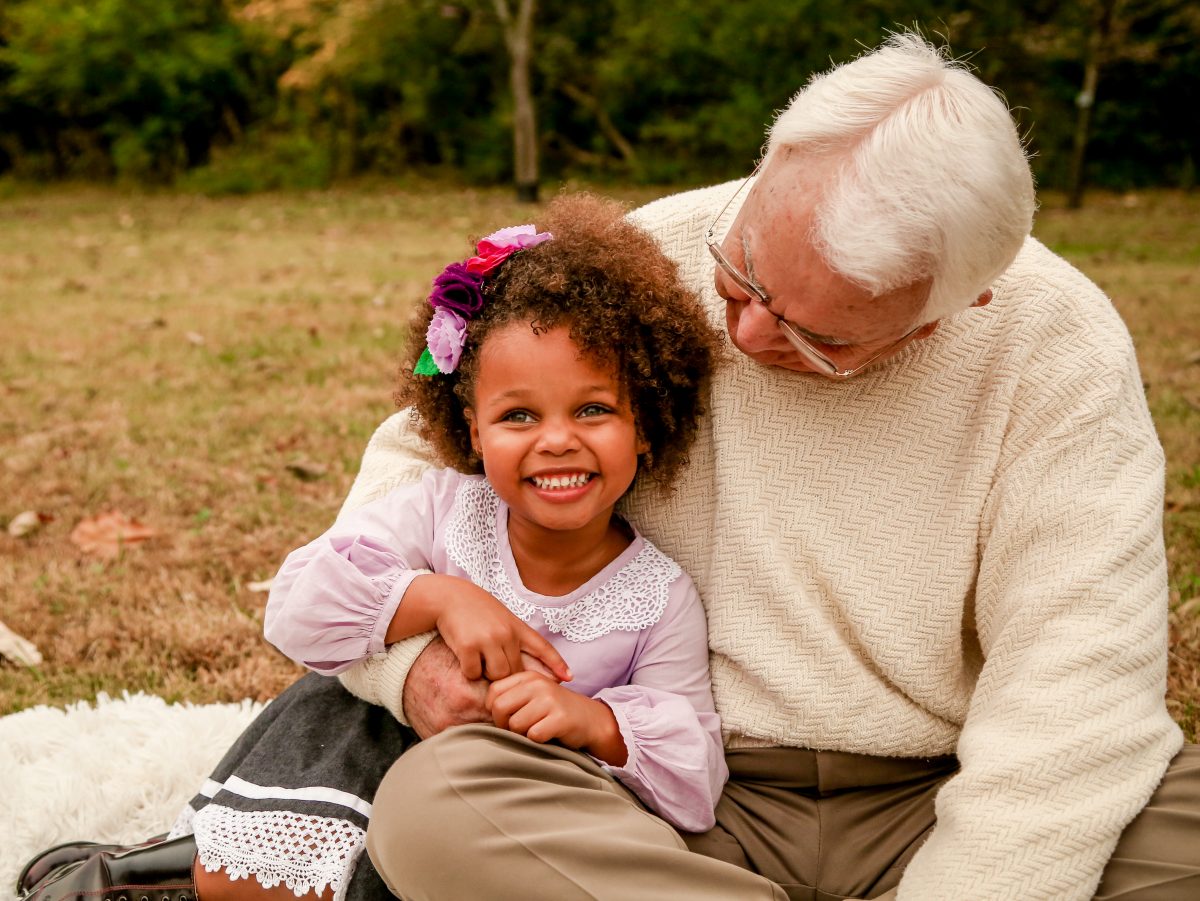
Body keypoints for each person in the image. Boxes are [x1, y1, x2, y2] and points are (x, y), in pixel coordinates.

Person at [340, 32, 1199, 901]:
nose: (745, 334)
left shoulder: (1056, 344)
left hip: (940, 791)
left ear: (960, 303)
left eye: (818, 336)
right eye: (743, 272)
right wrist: (413, 670)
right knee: (436, 805)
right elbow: (415, 466)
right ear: (774, 155)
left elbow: (1077, 687)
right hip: (669, 801)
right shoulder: (648, 255)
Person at [16, 195, 725, 901]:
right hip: (359, 757)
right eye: (518, 415)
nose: (557, 438)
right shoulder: (446, 511)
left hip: (492, 814)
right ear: (473, 431)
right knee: (321, 742)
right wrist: (437, 596)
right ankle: (174, 871)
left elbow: (695, 784)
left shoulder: (657, 598)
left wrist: (593, 720)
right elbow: (296, 607)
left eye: (593, 409)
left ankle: (161, 877)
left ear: (647, 422)